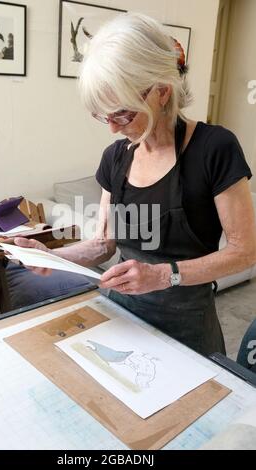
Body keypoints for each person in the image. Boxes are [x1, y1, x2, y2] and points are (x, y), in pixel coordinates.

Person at [15, 13, 256, 356]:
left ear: (161, 91)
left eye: (122, 114)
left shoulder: (214, 149)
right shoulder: (116, 157)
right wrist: (53, 256)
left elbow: (244, 252)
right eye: (103, 115)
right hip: (123, 317)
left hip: (188, 324)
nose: (112, 127)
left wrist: (161, 276)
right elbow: (103, 244)